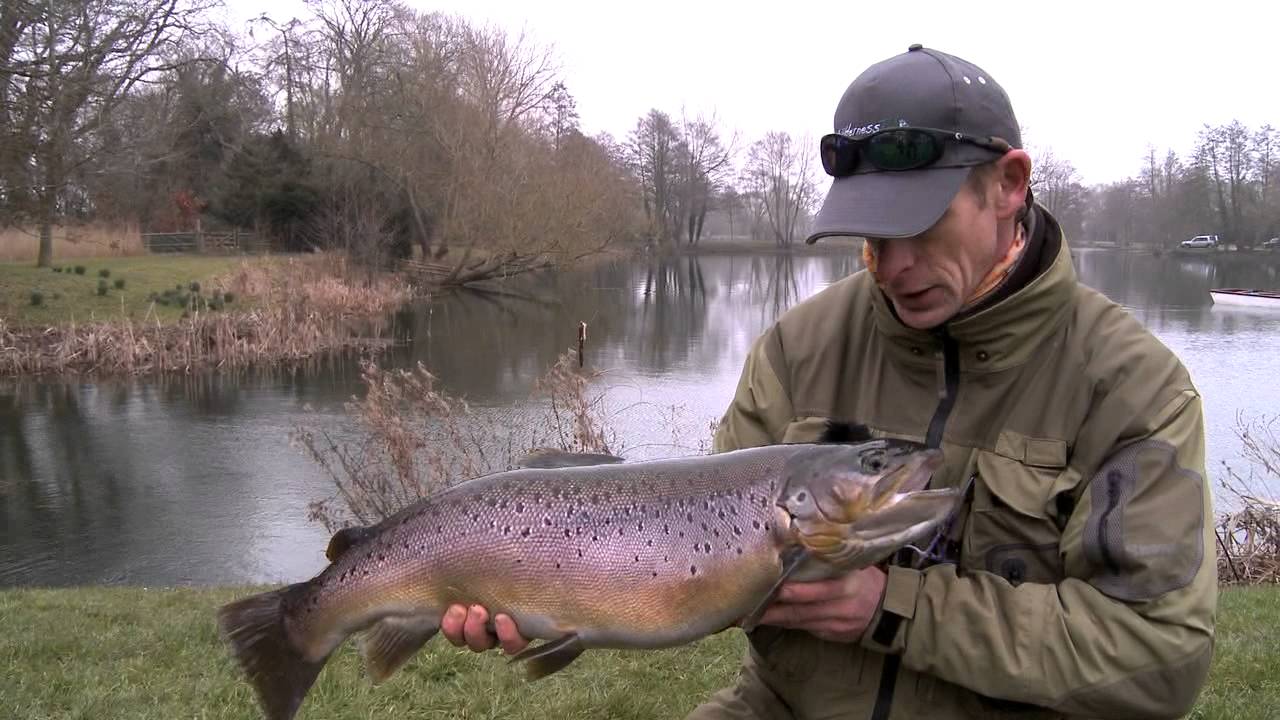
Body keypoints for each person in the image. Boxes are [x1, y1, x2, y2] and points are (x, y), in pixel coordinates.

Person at [441, 44, 1217, 720]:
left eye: (919, 227)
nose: (895, 262)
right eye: (873, 234)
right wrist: (539, 586)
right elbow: (693, 569)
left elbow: (1162, 654)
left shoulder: (1130, 386)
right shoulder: (799, 348)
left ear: (1009, 184)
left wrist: (896, 609)